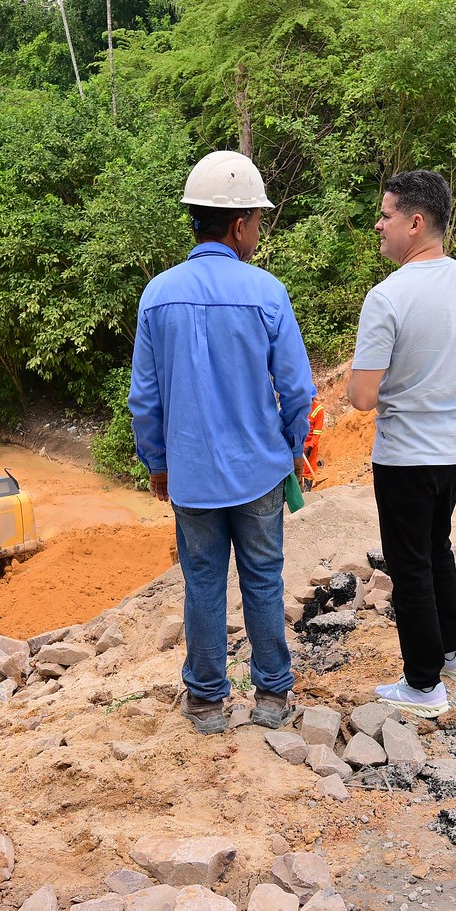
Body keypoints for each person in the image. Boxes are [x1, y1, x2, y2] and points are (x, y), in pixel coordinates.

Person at [129, 149, 317, 736]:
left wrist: (158, 463)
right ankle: (270, 698)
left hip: (190, 477)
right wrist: (291, 449)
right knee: (263, 580)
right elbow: (297, 389)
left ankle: (208, 702)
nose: (258, 231)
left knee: (203, 583)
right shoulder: (266, 293)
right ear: (239, 225)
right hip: (260, 472)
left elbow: (145, 399)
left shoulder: (158, 296)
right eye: (257, 221)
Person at [346, 170, 456, 719]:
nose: (379, 222)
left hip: (406, 456)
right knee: (436, 546)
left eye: (387, 213)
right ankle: (453, 653)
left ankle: (423, 685)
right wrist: (447, 380)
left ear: (415, 223)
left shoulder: (387, 296)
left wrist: (410, 383)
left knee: (410, 563)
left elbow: (363, 397)